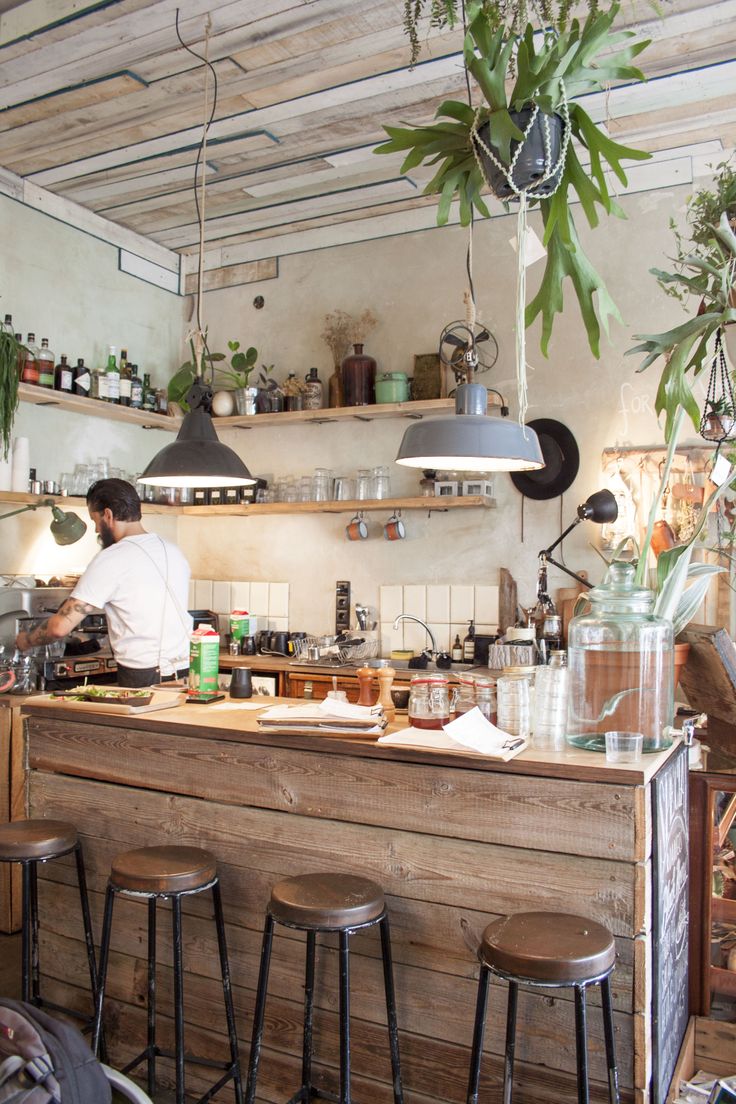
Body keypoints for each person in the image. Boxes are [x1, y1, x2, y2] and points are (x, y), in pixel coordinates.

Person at [16, 478, 192, 687]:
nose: (96, 530)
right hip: (182, 673)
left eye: (95, 521)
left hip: (143, 676)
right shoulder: (172, 550)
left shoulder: (113, 558)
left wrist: (25, 641)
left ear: (108, 515)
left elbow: (59, 628)